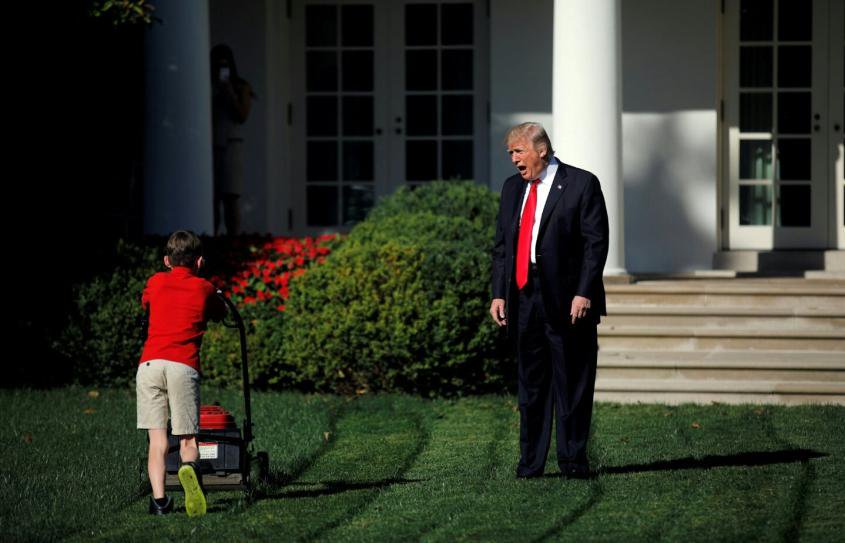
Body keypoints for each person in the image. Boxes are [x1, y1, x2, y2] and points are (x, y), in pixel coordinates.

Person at [490, 122, 609, 479]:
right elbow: (501, 248)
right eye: (510, 152)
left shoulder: (581, 183)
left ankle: (573, 461)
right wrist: (499, 293)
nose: (513, 159)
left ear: (541, 150)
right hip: (524, 297)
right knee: (531, 385)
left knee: (571, 382)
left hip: (568, 298)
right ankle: (530, 464)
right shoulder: (512, 189)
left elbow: (595, 242)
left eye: (518, 151)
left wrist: (584, 291)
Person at [137, 230, 227, 515]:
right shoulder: (204, 287)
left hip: (149, 365)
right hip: (182, 365)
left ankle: (160, 502)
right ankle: (188, 468)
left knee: (158, 440)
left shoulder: (155, 281)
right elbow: (219, 313)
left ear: (166, 260)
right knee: (188, 438)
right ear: (199, 262)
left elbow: (146, 303)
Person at [211, 44, 254, 236]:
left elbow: (242, 115)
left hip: (231, 144)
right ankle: (209, 237)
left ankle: (233, 240)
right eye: (218, 64)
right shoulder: (206, 85)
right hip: (211, 146)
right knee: (212, 197)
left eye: (225, 64)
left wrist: (229, 92)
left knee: (231, 196)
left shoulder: (240, 87)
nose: (221, 68)